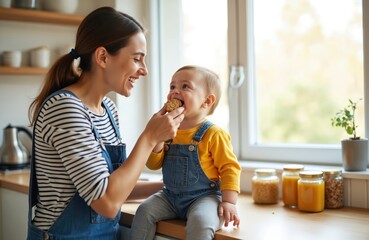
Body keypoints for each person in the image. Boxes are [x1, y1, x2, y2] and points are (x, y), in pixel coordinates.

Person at [26, 7, 184, 240]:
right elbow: (107, 203)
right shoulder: (65, 108)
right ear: (102, 57)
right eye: (137, 58)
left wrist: (172, 187)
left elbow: (115, 188)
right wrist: (149, 138)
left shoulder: (108, 110)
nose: (145, 70)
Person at [130, 65, 242, 240]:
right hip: (170, 196)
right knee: (144, 211)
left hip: (204, 198)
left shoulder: (213, 134)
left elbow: (230, 168)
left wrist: (228, 201)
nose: (175, 92)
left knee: (200, 221)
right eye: (172, 86)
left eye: (185, 86)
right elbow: (153, 165)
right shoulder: (168, 130)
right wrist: (158, 139)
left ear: (206, 101)